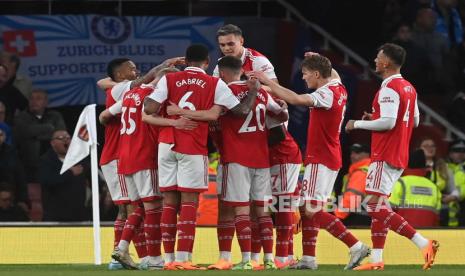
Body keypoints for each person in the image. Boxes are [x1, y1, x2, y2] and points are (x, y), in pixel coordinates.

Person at [251, 53, 369, 271]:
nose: (304, 79)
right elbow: (330, 71)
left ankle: (355, 245)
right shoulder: (338, 86)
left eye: (305, 75)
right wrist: (320, 58)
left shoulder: (325, 94)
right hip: (331, 155)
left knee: (311, 210)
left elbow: (296, 99)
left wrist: (267, 81)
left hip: (321, 157)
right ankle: (308, 259)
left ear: (316, 74)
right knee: (310, 209)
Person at [143, 44, 249, 270]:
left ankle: (169, 259)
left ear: (185, 61)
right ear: (207, 63)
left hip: (166, 144)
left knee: (169, 202)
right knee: (189, 202)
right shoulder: (215, 83)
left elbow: (150, 108)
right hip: (191, 145)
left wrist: (173, 110)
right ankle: (183, 259)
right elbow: (239, 111)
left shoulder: (169, 80)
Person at [345, 43, 439, 270]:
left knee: (373, 207)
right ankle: (377, 260)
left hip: (384, 153)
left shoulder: (388, 88)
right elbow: (414, 121)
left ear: (386, 62)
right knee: (380, 207)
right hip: (398, 154)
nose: (375, 61)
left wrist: (358, 123)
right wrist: (377, 116)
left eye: (378, 57)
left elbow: (388, 122)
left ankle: (424, 243)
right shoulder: (409, 87)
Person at [195, 56, 287, 270]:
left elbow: (215, 116)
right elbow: (281, 115)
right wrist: (279, 106)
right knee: (263, 212)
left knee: (239, 211)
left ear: (223, 73)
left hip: (235, 159)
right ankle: (268, 259)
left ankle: (245, 260)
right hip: (261, 159)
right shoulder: (262, 92)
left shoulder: (225, 93)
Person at [97, 57, 184, 270]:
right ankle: (153, 259)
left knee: (137, 208)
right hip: (142, 155)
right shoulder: (152, 98)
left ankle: (122, 249)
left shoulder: (128, 93)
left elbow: (104, 115)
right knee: (152, 208)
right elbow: (147, 117)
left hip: (124, 157)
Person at [14, 89, 66, 185]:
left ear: (46, 102)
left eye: (38, 99)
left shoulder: (55, 116)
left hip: (53, 164)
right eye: (31, 99)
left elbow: (61, 136)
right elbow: (25, 132)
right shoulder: (21, 117)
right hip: (28, 166)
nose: (34, 102)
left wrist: (35, 134)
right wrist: (49, 128)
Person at [38, 130, 90, 221]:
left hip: (78, 214)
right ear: (52, 143)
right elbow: (47, 180)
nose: (65, 141)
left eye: (68, 138)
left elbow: (92, 177)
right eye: (61, 138)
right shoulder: (45, 161)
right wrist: (69, 173)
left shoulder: (79, 159)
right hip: (55, 214)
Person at [390, 149, 442, 227]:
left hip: (404, 233)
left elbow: (389, 210)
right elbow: (437, 214)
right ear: (424, 166)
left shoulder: (400, 183)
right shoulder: (433, 186)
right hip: (428, 233)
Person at [213, 24, 277, 82]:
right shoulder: (221, 63)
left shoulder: (258, 60)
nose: (226, 48)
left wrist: (246, 87)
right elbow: (215, 88)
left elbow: (275, 90)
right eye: (222, 45)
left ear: (241, 41)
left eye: (230, 44)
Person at [419, 137, 460, 226]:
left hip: (439, 210)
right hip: (418, 207)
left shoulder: (444, 167)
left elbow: (454, 190)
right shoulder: (411, 166)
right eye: (426, 146)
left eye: (432, 146)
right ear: (419, 149)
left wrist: (452, 197)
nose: (430, 148)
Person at [334, 143, 371, 226]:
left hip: (359, 220)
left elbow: (352, 198)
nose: (352, 156)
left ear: (367, 154)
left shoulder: (361, 172)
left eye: (357, 152)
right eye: (352, 152)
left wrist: (337, 218)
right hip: (366, 218)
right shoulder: (365, 170)